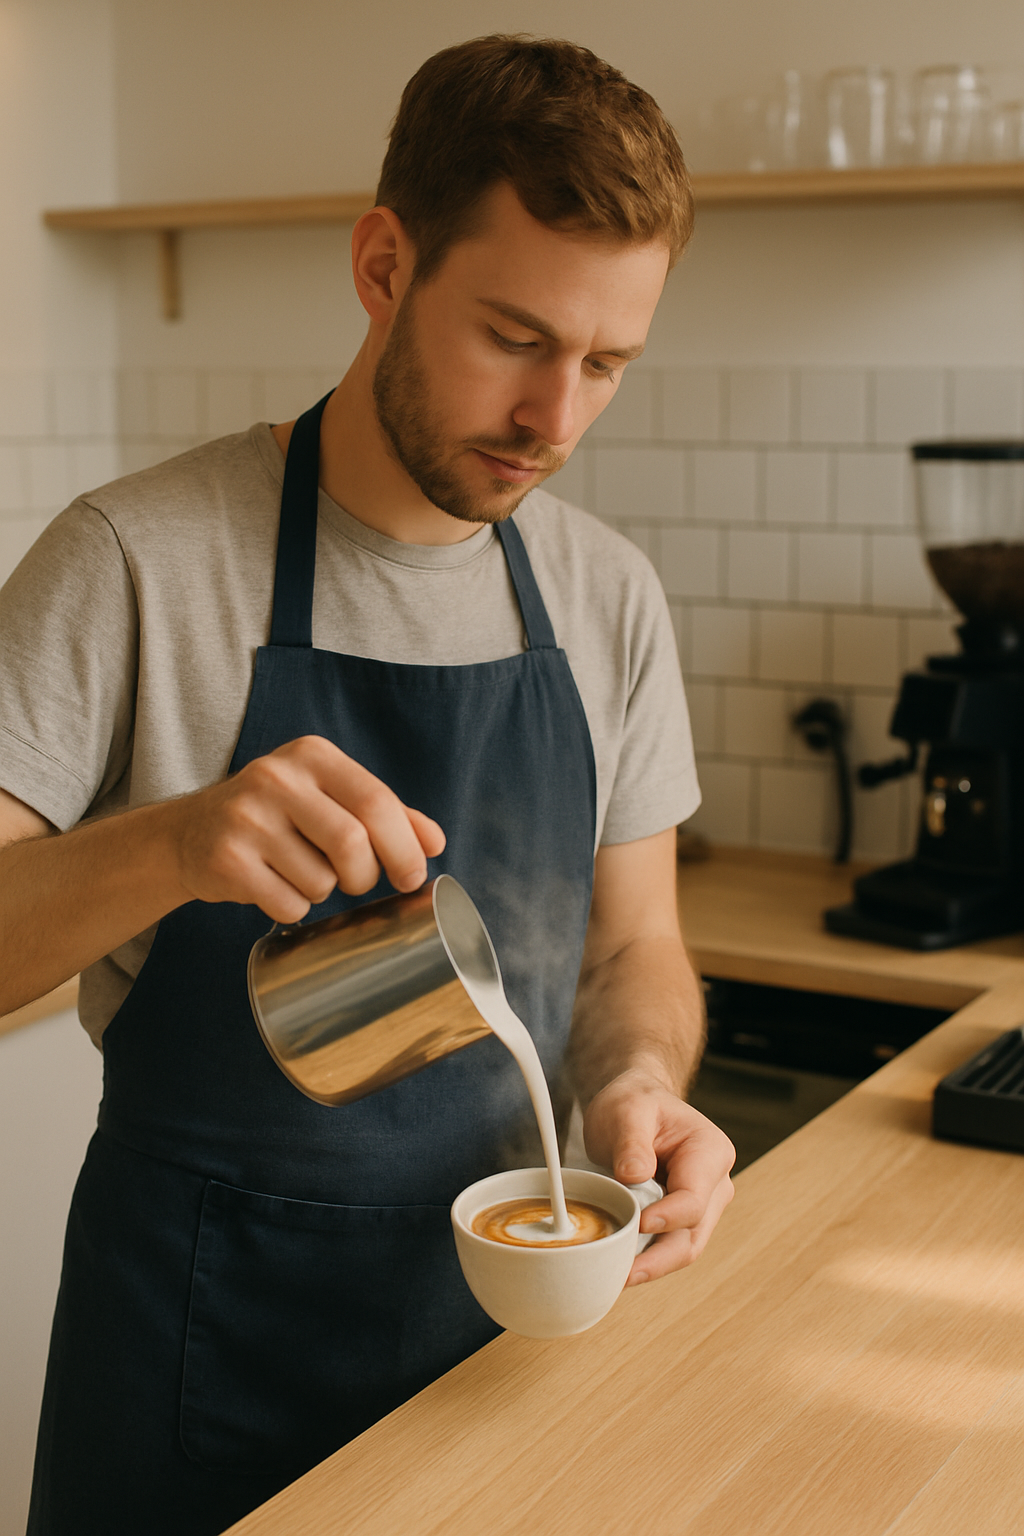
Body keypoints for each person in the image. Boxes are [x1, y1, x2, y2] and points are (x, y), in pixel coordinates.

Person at [0, 34, 735, 1536]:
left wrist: (641, 1081)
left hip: (505, 1347)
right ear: (383, 264)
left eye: (606, 363)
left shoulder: (608, 598)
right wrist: (177, 844)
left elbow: (633, 947)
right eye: (516, 339)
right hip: (198, 1347)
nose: (558, 420)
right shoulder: (135, 561)